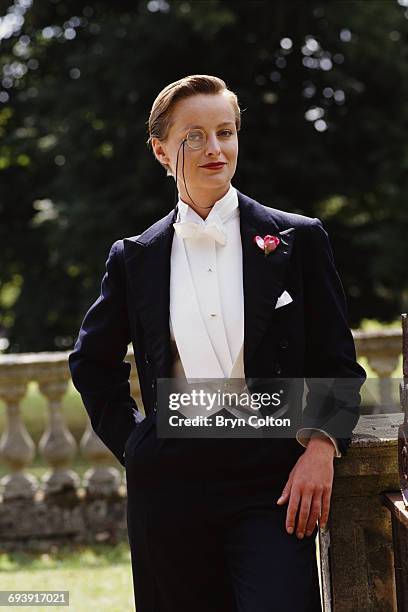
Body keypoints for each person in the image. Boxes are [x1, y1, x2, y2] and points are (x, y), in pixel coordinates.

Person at [69, 74, 366, 612]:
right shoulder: (134, 257)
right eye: (194, 136)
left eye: (225, 132)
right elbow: (92, 362)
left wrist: (322, 446)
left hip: (273, 478)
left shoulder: (299, 240)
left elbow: (338, 360)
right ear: (161, 151)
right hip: (170, 482)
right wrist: (138, 445)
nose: (215, 149)